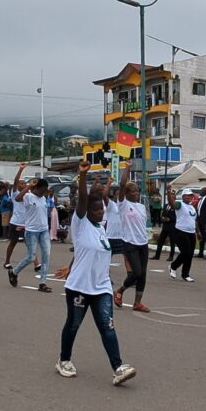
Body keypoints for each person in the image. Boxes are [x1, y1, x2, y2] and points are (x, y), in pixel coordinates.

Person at [54, 160, 137, 386]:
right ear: (86, 211)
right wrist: (82, 177)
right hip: (79, 288)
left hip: (101, 288)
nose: (101, 212)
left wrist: (71, 264)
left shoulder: (101, 229)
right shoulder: (80, 224)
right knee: (73, 324)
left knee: (107, 327)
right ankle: (64, 360)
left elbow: (86, 253)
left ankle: (118, 367)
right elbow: (82, 201)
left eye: (102, 208)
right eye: (96, 209)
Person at [113, 162, 152, 312]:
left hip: (143, 243)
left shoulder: (141, 206)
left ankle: (137, 303)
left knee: (143, 275)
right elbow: (122, 185)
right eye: (133, 191)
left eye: (137, 191)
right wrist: (128, 167)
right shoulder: (122, 204)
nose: (136, 193)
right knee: (136, 272)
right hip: (130, 243)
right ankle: (120, 291)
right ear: (127, 193)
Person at [9, 162, 53, 292]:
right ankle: (14, 272)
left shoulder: (43, 199)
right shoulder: (28, 196)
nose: (44, 192)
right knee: (31, 257)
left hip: (43, 230)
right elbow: (17, 199)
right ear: (37, 188)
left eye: (46, 190)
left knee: (46, 256)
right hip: (31, 231)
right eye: (42, 190)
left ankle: (43, 283)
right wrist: (28, 186)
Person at [167, 189, 198, 283]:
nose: (190, 197)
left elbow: (194, 220)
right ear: (183, 196)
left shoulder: (192, 207)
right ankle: (173, 266)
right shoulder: (180, 204)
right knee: (185, 252)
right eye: (187, 195)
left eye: (191, 195)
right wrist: (168, 193)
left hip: (191, 233)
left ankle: (185, 274)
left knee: (190, 255)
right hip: (180, 231)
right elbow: (172, 204)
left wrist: (198, 232)